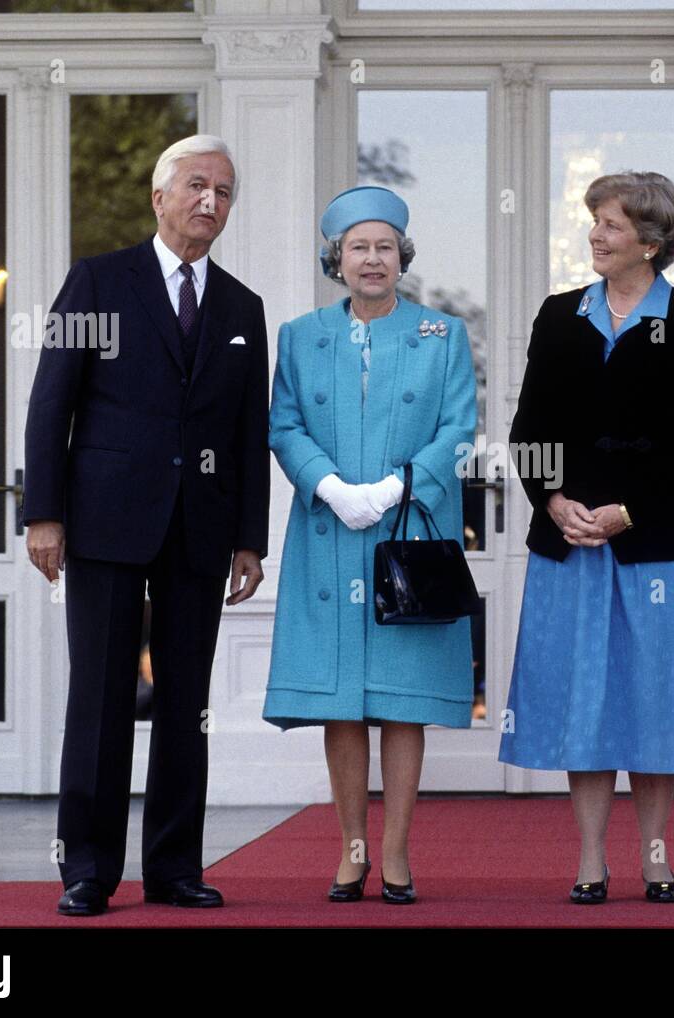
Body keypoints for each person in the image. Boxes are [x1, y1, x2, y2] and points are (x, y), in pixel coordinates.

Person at [23, 134, 270, 917]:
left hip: (200, 530)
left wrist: (250, 538)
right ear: (159, 197)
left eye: (224, 192)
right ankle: (88, 871)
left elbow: (246, 432)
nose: (210, 201)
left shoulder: (240, 306)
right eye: (197, 185)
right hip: (102, 524)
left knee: (185, 705)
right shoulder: (96, 281)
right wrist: (44, 513)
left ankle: (173, 869)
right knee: (98, 699)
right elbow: (49, 403)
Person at [499, 171, 674, 904]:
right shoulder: (560, 315)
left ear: (652, 242)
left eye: (611, 225)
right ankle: (591, 860)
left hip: (656, 548)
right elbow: (528, 430)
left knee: (654, 702)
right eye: (594, 222)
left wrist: (629, 509)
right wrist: (554, 499)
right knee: (583, 705)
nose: (596, 235)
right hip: (570, 546)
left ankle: (656, 859)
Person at [263, 185, 477, 905]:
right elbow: (284, 425)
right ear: (337, 258)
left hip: (406, 533)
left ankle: (396, 854)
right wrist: (330, 487)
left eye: (385, 247)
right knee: (344, 703)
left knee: (403, 700)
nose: (373, 260)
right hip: (329, 534)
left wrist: (393, 488)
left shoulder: (441, 336)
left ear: (402, 256)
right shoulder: (299, 335)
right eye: (359, 247)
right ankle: (351, 850)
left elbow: (458, 430)